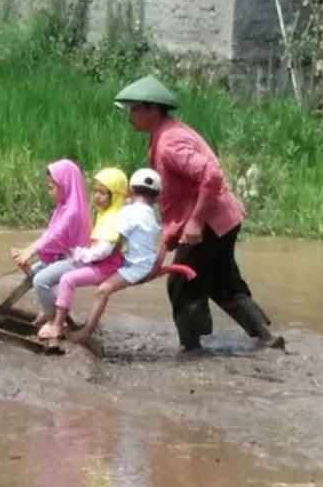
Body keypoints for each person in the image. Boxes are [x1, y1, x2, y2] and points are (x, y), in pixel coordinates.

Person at [114, 75, 283, 352]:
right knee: (221, 281)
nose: (130, 116)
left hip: (210, 223)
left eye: (134, 109)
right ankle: (266, 337)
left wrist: (194, 222)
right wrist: (167, 242)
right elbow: (177, 196)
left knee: (182, 283)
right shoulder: (167, 133)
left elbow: (212, 174)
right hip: (222, 219)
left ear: (152, 110)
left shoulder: (169, 142)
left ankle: (192, 348)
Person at [38, 169, 161, 342]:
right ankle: (54, 317)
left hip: (128, 266)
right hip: (126, 261)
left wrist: (81, 254)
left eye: (102, 192)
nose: (96, 196)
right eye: (95, 191)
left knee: (97, 289)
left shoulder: (123, 214)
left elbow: (106, 248)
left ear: (130, 192)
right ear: (156, 198)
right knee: (57, 275)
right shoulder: (140, 211)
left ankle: (68, 328)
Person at [10, 159, 91, 326]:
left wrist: (30, 251)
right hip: (64, 257)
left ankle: (52, 320)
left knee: (40, 280)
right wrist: (26, 250)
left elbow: (55, 236)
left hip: (77, 259)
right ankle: (48, 310)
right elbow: (49, 233)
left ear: (65, 185)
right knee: (33, 272)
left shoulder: (73, 212)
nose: (49, 192)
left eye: (51, 187)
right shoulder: (63, 207)